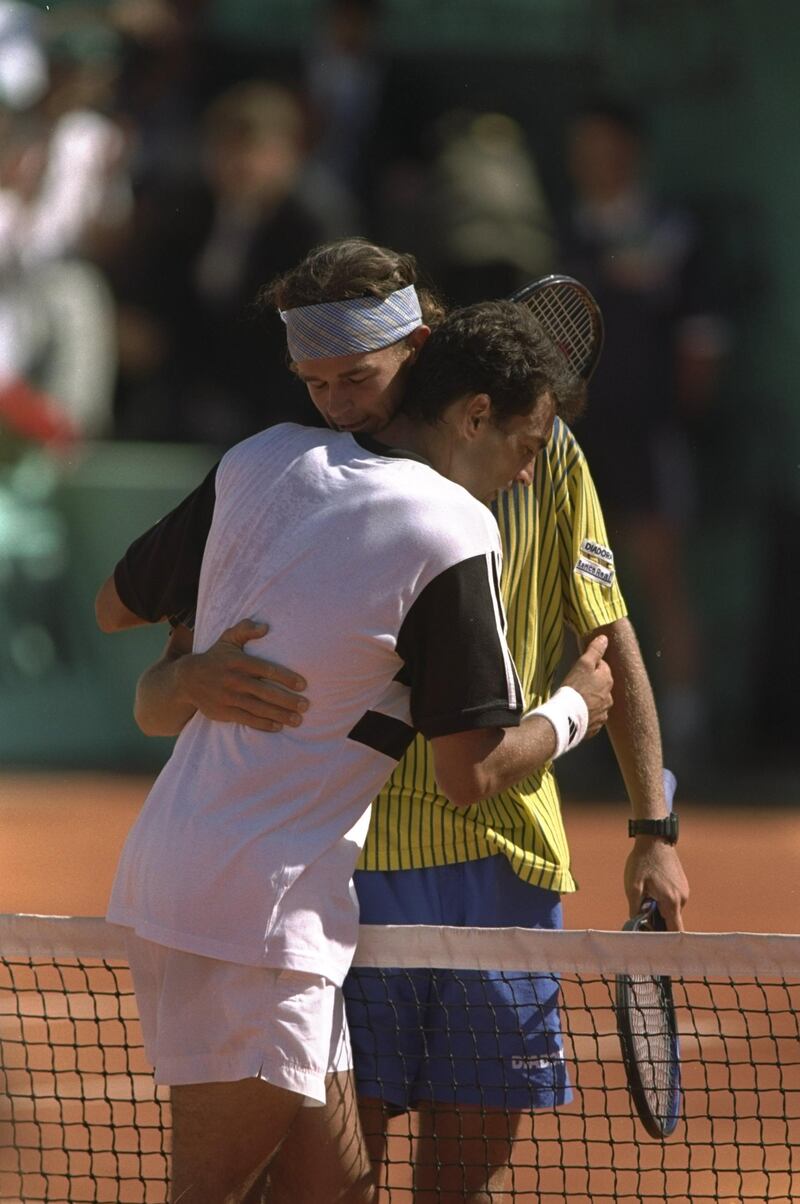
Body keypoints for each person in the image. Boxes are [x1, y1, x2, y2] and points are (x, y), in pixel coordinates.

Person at [96, 239, 689, 1203]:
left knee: (339, 1189)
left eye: (355, 377)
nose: (335, 402)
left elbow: (606, 627)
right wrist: (182, 680)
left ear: (423, 353)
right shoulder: (290, 471)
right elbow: (141, 652)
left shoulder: (314, 463)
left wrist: (652, 820)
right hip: (289, 899)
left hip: (342, 887)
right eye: (315, 381)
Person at [558, 97, 728, 772]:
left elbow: (702, 349)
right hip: (576, 438)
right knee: (566, 579)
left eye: (605, 148)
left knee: (659, 574)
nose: (594, 163)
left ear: (631, 152)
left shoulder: (674, 234)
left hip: (649, 436)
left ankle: (683, 717)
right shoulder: (566, 234)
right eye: (584, 150)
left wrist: (670, 416)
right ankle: (568, 722)